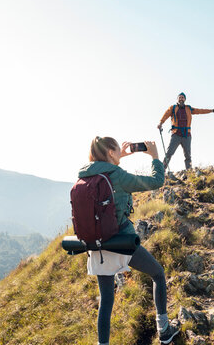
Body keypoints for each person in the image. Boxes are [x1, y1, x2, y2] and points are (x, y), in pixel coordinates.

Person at [78, 136, 180, 345]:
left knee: (106, 299)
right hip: (120, 241)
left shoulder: (85, 174)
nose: (121, 151)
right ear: (110, 152)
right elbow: (156, 181)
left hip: (96, 245)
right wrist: (155, 157)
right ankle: (164, 331)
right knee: (158, 275)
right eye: (117, 149)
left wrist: (116, 158)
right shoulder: (117, 175)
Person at [157, 92, 214, 170]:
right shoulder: (173, 108)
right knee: (169, 153)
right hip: (176, 134)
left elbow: (200, 111)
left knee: (188, 155)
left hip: (186, 135)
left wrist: (212, 110)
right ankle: (162, 170)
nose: (181, 99)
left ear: (185, 99)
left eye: (182, 97)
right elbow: (165, 115)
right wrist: (161, 123)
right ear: (177, 99)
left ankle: (189, 172)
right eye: (180, 97)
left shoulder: (189, 108)